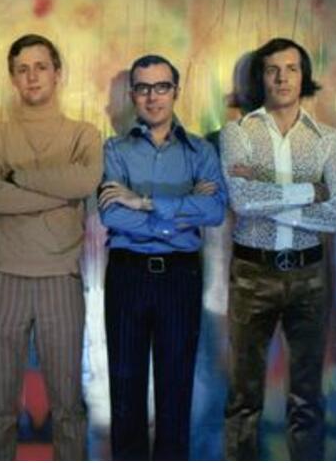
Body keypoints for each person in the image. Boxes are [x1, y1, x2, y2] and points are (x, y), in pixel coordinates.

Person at [0, 34, 102, 460]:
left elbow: (84, 182)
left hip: (60, 279)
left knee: (68, 407)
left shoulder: (83, 134)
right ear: (13, 78)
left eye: (41, 67)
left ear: (57, 73)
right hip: (3, 278)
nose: (32, 76)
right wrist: (57, 195)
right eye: (22, 69)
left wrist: (18, 178)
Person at [220, 37, 336, 460]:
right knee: (243, 397)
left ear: (303, 76)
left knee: (307, 397)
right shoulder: (238, 133)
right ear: (261, 77)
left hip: (309, 277)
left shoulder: (329, 140)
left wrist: (270, 200)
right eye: (272, 69)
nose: (282, 78)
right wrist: (312, 191)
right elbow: (241, 201)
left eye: (291, 68)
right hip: (251, 275)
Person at [98, 54, 227, 460]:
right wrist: (180, 214)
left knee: (175, 391)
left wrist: (144, 202)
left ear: (176, 92)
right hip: (127, 276)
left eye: (161, 87)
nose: (152, 97)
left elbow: (214, 210)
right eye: (143, 88)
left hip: (180, 278)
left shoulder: (200, 151)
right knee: (125, 392)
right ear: (132, 94)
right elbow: (112, 215)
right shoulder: (115, 150)